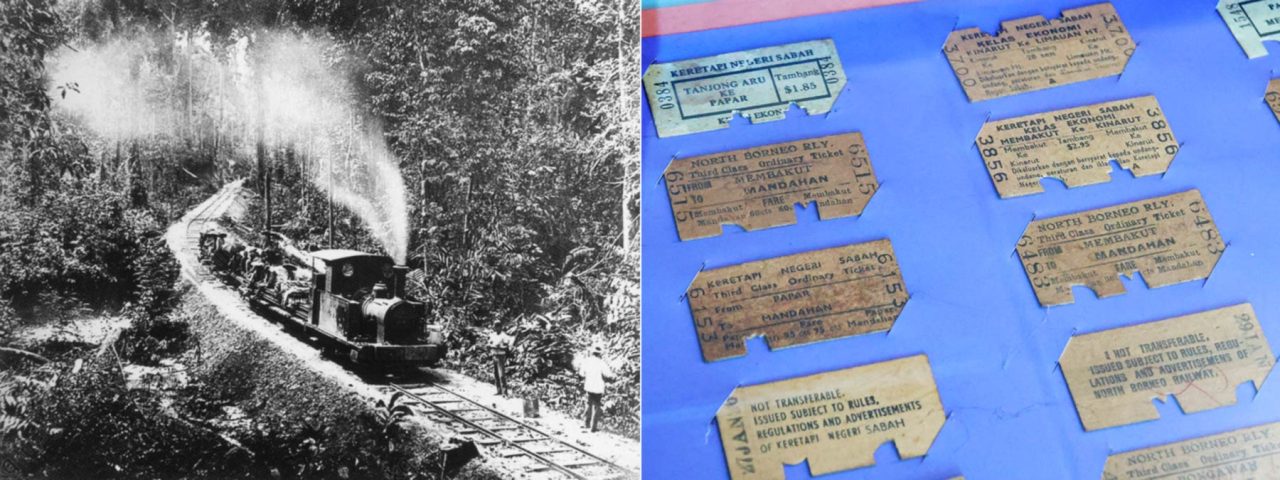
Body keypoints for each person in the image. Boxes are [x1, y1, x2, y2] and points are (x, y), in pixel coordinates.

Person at [577, 346, 614, 432]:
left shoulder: (586, 361)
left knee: (588, 404)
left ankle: (586, 424)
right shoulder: (601, 363)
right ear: (600, 354)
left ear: (592, 353)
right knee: (596, 406)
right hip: (598, 387)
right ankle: (593, 427)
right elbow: (609, 374)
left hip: (589, 386)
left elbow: (581, 374)